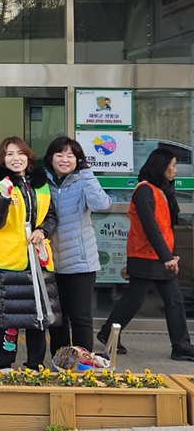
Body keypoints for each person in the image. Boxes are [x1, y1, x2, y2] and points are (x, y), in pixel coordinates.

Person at [98, 149, 194, 361]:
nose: (175, 171)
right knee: (136, 299)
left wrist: (171, 255)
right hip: (145, 255)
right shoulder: (144, 191)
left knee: (172, 299)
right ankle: (108, 333)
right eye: (173, 165)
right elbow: (150, 227)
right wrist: (167, 257)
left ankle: (180, 345)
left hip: (158, 255)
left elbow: (166, 228)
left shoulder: (160, 191)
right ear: (161, 166)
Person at [0, 137, 61, 371]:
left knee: (38, 318)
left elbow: (52, 216)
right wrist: (4, 197)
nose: (15, 158)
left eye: (20, 153)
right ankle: (5, 363)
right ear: (2, 159)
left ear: (28, 157)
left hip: (37, 258)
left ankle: (35, 363)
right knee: (7, 319)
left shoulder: (41, 184)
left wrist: (43, 230)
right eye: (9, 154)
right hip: (7, 260)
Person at [44, 137, 111, 355]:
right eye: (59, 154)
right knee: (57, 319)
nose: (64, 159)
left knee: (81, 318)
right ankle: (60, 362)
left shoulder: (83, 180)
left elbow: (102, 205)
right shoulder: (42, 182)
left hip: (81, 262)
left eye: (70, 155)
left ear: (78, 159)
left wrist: (86, 173)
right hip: (51, 261)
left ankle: (83, 364)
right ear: (50, 158)